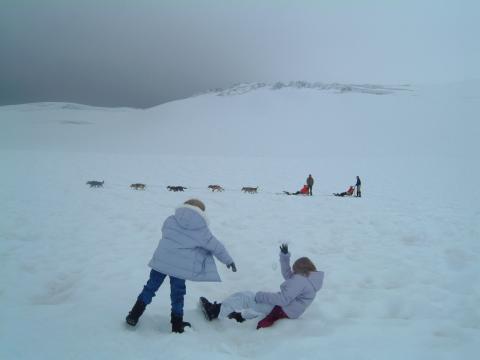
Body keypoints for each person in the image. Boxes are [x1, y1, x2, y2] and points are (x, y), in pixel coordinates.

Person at [125, 199, 236, 333]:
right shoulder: (201, 229)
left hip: (161, 262)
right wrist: (228, 260)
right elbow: (215, 246)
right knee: (177, 294)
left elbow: (165, 232)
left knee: (150, 288)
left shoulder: (170, 220)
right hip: (180, 268)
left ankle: (134, 315)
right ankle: (177, 325)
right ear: (201, 212)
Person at [200, 244, 324, 330]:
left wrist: (261, 296)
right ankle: (240, 316)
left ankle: (214, 311)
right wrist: (285, 257)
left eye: (294, 269)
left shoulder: (300, 280)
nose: (292, 271)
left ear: (300, 270)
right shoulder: (308, 280)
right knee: (258, 304)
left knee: (246, 297)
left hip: (282, 309)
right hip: (289, 311)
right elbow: (289, 276)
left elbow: (283, 299)